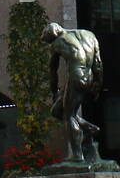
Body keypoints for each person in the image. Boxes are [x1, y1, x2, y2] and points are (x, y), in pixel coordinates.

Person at [41, 22, 103, 164]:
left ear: (52, 35)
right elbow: (98, 63)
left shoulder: (57, 42)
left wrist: (54, 91)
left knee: (69, 116)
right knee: (57, 110)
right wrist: (98, 84)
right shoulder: (89, 35)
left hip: (76, 77)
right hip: (89, 77)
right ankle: (89, 128)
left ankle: (77, 155)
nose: (50, 44)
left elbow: (53, 71)